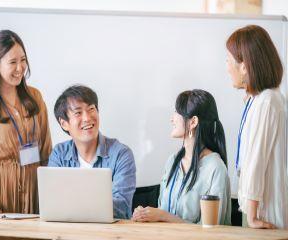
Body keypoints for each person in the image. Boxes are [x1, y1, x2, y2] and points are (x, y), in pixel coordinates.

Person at [0, 30, 52, 213]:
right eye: (12, 62)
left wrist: (50, 195)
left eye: (23, 60)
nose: (20, 68)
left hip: (35, 185)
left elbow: (46, 151)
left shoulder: (35, 97)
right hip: (0, 189)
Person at [132, 89, 231, 224]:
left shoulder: (215, 167)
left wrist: (163, 216)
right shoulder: (172, 161)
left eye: (177, 112)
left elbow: (211, 229)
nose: (171, 118)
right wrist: (145, 214)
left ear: (193, 122)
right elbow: (162, 211)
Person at [226, 25, 288, 229]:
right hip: (254, 208)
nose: (227, 67)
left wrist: (252, 217)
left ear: (245, 66)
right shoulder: (257, 100)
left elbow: (256, 160)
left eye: (229, 60)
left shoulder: (267, 101)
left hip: (262, 214)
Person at [48, 85, 136, 219]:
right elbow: (53, 202)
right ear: (64, 123)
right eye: (78, 113)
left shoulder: (121, 154)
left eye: (91, 109)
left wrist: (72, 206)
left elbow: (121, 207)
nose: (87, 118)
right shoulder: (59, 154)